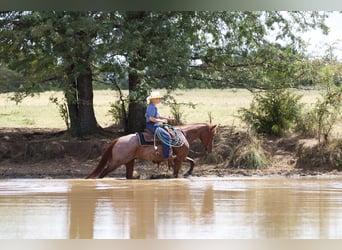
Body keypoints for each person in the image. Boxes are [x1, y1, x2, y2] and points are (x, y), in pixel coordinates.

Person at [145, 91, 175, 160]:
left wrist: (169, 119)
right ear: (153, 99)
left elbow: (158, 116)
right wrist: (162, 121)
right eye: (158, 98)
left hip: (155, 124)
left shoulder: (153, 106)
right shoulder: (151, 107)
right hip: (152, 125)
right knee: (167, 136)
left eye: (159, 98)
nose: (159, 100)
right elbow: (151, 118)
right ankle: (166, 156)